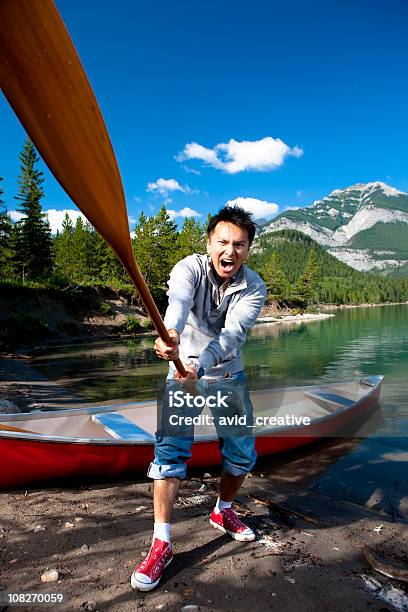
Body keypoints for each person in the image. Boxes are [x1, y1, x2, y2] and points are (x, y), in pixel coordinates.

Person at [131, 205, 266, 592]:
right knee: (170, 456)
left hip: (227, 376)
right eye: (222, 241)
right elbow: (177, 304)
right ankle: (162, 543)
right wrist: (171, 335)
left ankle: (223, 511)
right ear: (209, 243)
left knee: (241, 456)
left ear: (248, 250)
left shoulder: (253, 287)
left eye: (239, 244)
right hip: (180, 375)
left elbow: (232, 336)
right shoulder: (187, 268)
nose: (230, 250)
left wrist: (201, 366)